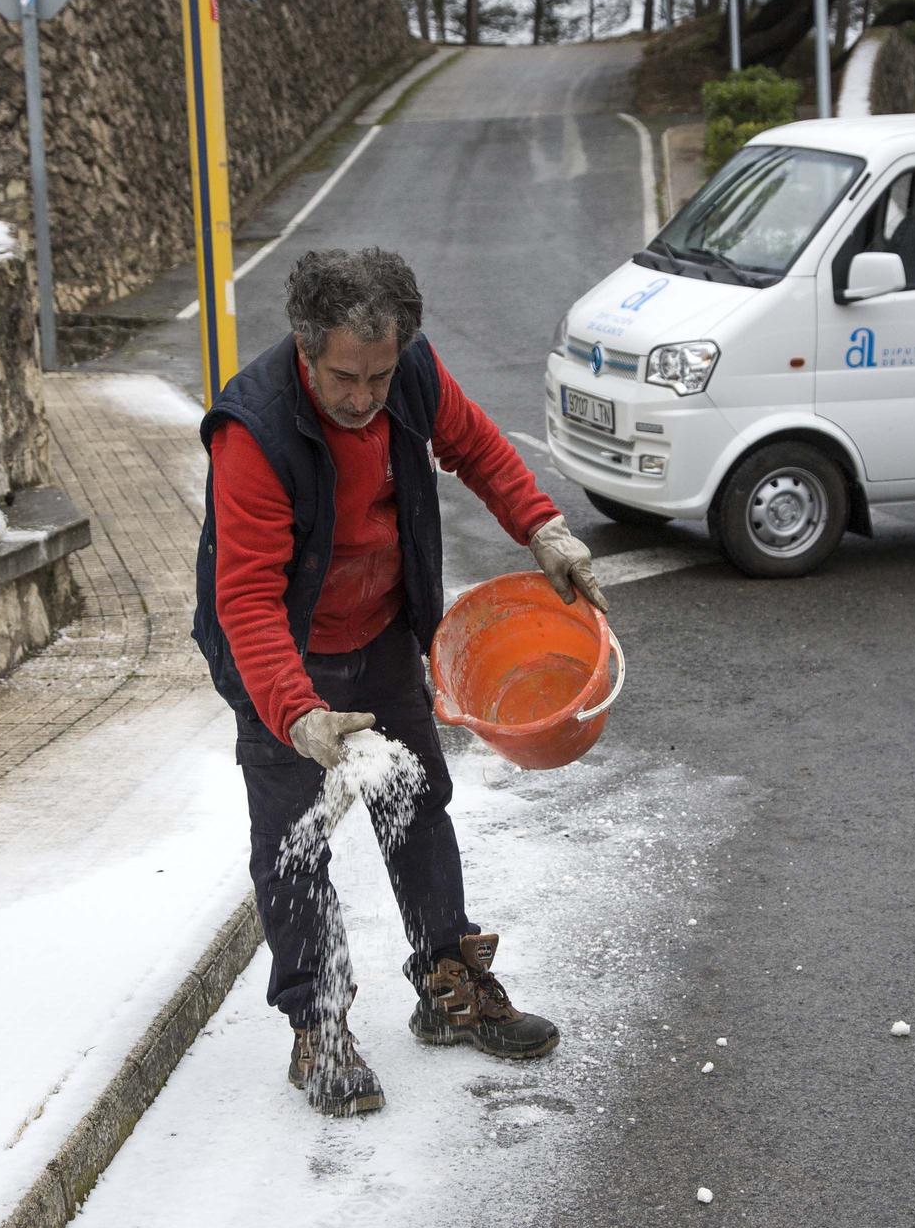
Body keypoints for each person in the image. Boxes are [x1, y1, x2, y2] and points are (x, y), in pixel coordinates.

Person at [192, 247, 607, 1117]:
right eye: (346, 376)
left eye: (380, 375)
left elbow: (480, 449)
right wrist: (299, 715)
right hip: (282, 658)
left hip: (378, 630)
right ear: (306, 350)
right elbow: (247, 597)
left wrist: (543, 528)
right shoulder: (253, 431)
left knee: (417, 802)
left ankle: (446, 981)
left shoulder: (407, 371)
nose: (364, 396)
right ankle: (320, 1026)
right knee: (296, 841)